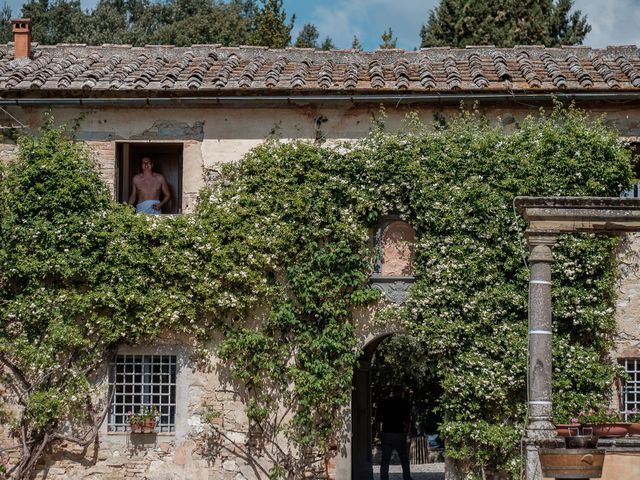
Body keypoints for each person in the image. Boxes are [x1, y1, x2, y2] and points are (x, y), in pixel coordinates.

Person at [376, 385, 412, 480]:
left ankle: (384, 478)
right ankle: (407, 477)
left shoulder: (385, 403)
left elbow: (378, 419)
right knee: (404, 458)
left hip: (387, 433)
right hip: (399, 433)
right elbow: (408, 420)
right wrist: (406, 433)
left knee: (385, 460)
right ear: (401, 392)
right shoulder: (404, 403)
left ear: (393, 392)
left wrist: (380, 433)